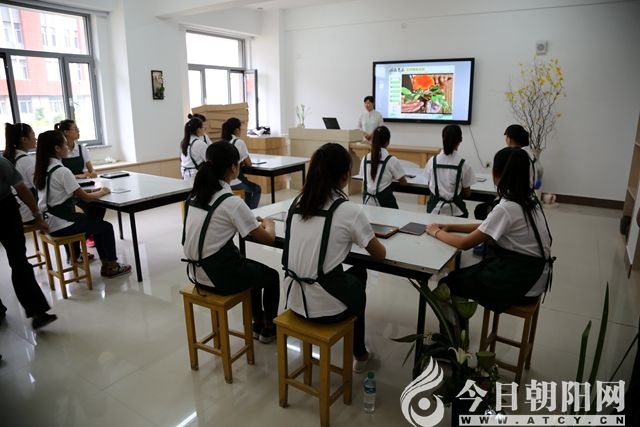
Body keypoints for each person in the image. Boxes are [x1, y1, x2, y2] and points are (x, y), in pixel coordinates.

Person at [282, 143, 386, 373]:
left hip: (294, 299)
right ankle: (359, 353)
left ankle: (359, 351)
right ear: (345, 175)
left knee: (347, 273)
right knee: (359, 275)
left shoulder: (297, 203)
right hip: (325, 310)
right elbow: (380, 254)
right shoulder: (349, 210)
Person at [426, 147, 554, 314]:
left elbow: (464, 244)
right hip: (536, 277)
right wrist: (452, 227)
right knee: (466, 276)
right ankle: (459, 323)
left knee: (449, 283)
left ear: (496, 174)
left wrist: (435, 232)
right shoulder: (528, 199)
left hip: (522, 284)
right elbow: (487, 226)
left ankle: (455, 330)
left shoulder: (507, 207)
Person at [181, 142, 280, 343]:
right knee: (271, 276)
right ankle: (269, 327)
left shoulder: (195, 196)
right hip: (218, 277)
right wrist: (269, 223)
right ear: (233, 167)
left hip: (196, 273)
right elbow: (268, 239)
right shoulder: (231, 201)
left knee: (251, 270)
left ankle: (257, 322)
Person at [34, 130, 131, 278]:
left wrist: (92, 191)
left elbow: (70, 193)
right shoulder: (62, 171)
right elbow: (86, 198)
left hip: (49, 222)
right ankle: (112, 266)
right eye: (65, 144)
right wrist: (102, 191)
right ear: (57, 148)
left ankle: (106, 264)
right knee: (105, 227)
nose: (68, 147)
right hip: (61, 224)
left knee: (97, 223)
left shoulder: (43, 169)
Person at [0, 155, 57, 329]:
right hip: (6, 210)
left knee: (19, 262)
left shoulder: (1, 163)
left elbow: (21, 188)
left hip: (6, 211)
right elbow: (22, 188)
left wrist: (37, 216)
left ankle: (38, 311)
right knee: (19, 262)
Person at [424, 124, 476, 217]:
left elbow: (429, 185)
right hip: (457, 212)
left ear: (443, 138)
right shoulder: (464, 164)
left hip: (434, 211)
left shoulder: (432, 161)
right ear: (460, 140)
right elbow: (467, 193)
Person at [359, 125, 408, 208]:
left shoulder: (365, 158)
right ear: (388, 142)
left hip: (367, 203)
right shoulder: (392, 160)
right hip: (385, 204)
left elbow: (364, 178)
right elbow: (403, 183)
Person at [220, 117, 262, 209]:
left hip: (222, 180)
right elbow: (249, 164)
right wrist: (241, 162)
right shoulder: (239, 142)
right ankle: (252, 212)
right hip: (234, 180)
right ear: (236, 130)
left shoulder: (222, 142)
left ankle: (246, 209)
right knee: (257, 189)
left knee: (247, 186)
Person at [3, 123, 37, 223]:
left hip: (16, 211)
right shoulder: (26, 161)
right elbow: (39, 186)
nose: (35, 139)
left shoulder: (10, 157)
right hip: (29, 213)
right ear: (24, 139)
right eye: (33, 135)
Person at [180, 116, 209, 180]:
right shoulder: (200, 143)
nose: (204, 129)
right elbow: (209, 161)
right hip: (197, 177)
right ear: (198, 129)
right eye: (203, 127)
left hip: (185, 176)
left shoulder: (183, 142)